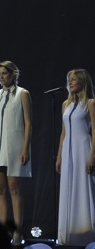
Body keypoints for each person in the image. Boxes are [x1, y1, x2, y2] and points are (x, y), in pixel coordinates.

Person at [0, 60, 33, 244]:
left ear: (13, 74)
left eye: (4, 73)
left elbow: (28, 122)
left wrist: (25, 147)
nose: (1, 77)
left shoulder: (23, 93)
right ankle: (2, 231)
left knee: (14, 188)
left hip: (14, 145)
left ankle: (18, 232)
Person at [55, 69, 95, 245]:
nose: (70, 83)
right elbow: (63, 132)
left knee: (83, 188)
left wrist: (92, 156)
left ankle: (87, 234)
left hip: (83, 149)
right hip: (68, 151)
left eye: (74, 80)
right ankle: (69, 234)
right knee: (68, 188)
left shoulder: (91, 103)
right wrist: (59, 156)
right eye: (68, 80)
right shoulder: (66, 104)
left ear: (82, 82)